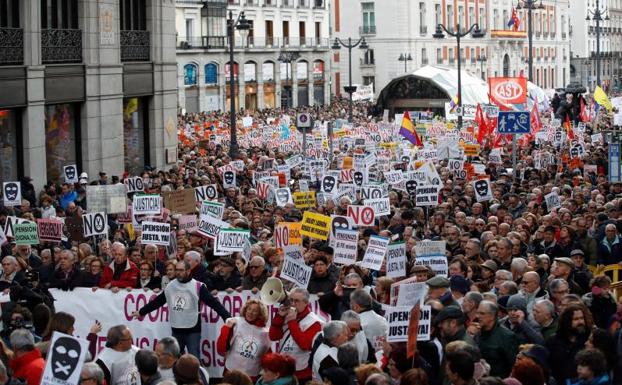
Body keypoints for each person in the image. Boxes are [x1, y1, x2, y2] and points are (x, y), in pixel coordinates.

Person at [132, 261, 230, 358]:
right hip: (176, 328)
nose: (178, 272)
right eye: (177, 270)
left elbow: (214, 303)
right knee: (176, 358)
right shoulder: (171, 286)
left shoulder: (198, 286)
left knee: (193, 358)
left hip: (193, 329)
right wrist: (141, 312)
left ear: (188, 271)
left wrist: (227, 317)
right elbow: (158, 302)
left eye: (181, 270)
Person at [269, 287, 323, 382]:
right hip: (284, 369)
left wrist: (292, 322)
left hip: (302, 372)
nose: (293, 304)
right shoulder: (287, 315)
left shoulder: (314, 322)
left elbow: (304, 345)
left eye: (297, 301)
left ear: (306, 303)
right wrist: (279, 317)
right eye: (291, 300)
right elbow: (273, 337)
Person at [217, 298, 271, 379]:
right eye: (249, 309)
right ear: (245, 309)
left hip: (251, 375)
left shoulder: (265, 332)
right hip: (231, 371)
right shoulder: (235, 322)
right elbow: (221, 348)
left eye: (255, 310)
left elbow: (267, 355)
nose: (250, 312)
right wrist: (226, 328)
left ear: (260, 314)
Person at [546, 303, 594, 385]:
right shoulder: (553, 341)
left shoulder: (590, 339)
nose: (580, 322)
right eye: (576, 319)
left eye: (582, 318)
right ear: (567, 321)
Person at [472, 300, 518, 378]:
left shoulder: (507, 336)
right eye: (478, 313)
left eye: (482, 313)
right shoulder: (478, 333)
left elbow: (513, 365)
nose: (478, 316)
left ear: (492, 316)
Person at [350, 289, 388, 354]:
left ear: (355, 306)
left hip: (368, 360)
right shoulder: (383, 319)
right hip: (384, 356)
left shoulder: (357, 324)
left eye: (351, 302)